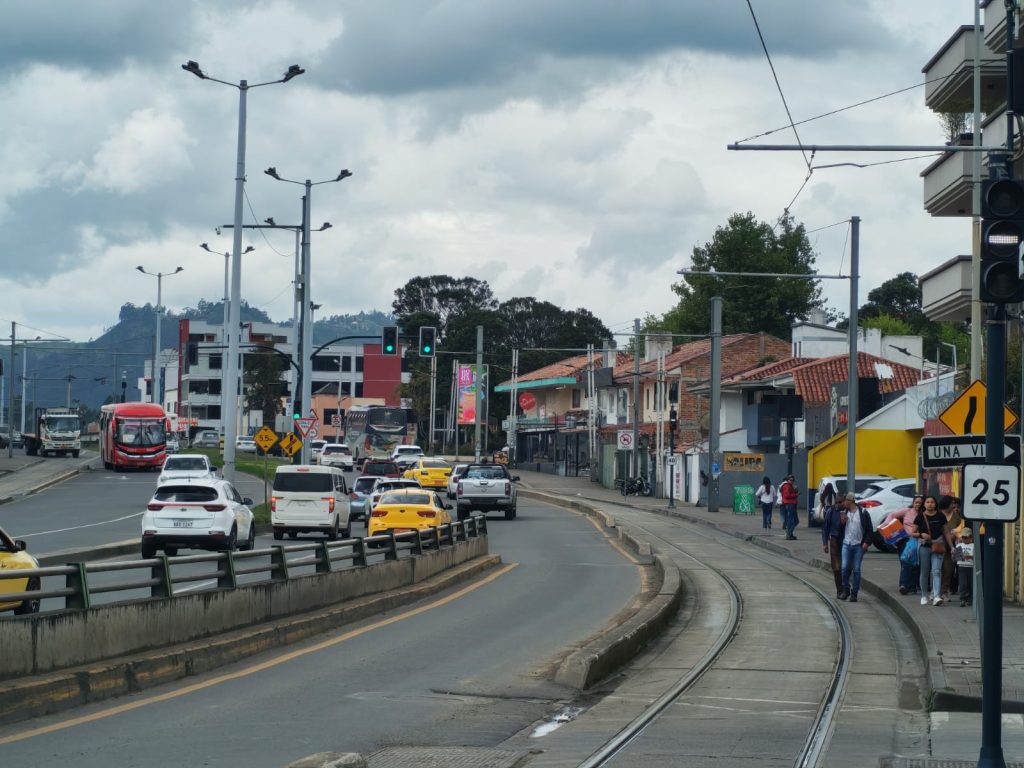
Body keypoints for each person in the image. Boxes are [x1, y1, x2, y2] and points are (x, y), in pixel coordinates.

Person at [913, 495, 953, 606]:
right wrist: (921, 535)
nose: (930, 504)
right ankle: (924, 595)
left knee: (936, 571)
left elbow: (946, 532)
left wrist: (951, 546)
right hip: (924, 546)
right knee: (924, 572)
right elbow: (912, 533)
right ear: (924, 504)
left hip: (938, 546)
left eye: (932, 502)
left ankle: (936, 596)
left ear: (935, 504)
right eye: (927, 502)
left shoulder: (940, 516)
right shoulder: (920, 517)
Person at [881, 494, 923, 595]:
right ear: (913, 503)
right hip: (905, 541)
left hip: (919, 541)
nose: (918, 504)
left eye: (920, 503)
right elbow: (892, 515)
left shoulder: (924, 514)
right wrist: (887, 525)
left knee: (915, 565)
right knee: (905, 562)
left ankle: (912, 586)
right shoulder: (907, 511)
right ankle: (904, 585)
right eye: (916, 502)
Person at [839, 492, 874, 602]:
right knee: (844, 567)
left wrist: (867, 543)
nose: (843, 503)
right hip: (846, 544)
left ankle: (854, 593)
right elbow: (838, 529)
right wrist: (842, 523)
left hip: (858, 545)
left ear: (850, 500)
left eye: (844, 501)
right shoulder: (843, 512)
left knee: (857, 569)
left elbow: (869, 529)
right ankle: (846, 589)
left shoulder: (863, 512)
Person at [822, 492, 853, 598]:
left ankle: (846, 587)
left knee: (846, 567)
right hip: (834, 541)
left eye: (840, 502)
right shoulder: (831, 511)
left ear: (845, 501)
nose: (838, 504)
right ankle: (840, 590)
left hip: (847, 541)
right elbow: (825, 528)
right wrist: (825, 543)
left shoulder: (849, 511)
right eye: (836, 502)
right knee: (836, 567)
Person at [938, 496, 962, 601]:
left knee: (949, 570)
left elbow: (961, 529)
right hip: (939, 546)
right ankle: (936, 592)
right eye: (952, 503)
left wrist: (956, 534)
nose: (954, 505)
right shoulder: (938, 515)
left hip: (953, 547)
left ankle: (944, 592)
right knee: (938, 569)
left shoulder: (956, 516)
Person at [952, 525, 974, 607]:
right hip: (961, 567)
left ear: (971, 537)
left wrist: (970, 557)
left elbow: (976, 557)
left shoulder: (973, 546)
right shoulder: (959, 545)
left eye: (967, 537)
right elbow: (955, 558)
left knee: (971, 584)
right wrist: (955, 555)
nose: (965, 539)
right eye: (963, 537)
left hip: (971, 566)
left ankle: (970, 599)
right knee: (963, 584)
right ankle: (962, 599)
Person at [779, 474, 799, 540]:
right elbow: (787, 495)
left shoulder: (789, 486)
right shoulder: (787, 486)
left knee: (793, 520)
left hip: (791, 504)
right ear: (788, 480)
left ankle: (790, 533)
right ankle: (789, 533)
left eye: (793, 480)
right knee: (794, 520)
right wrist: (796, 494)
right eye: (791, 480)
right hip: (790, 504)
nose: (792, 481)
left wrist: (795, 491)